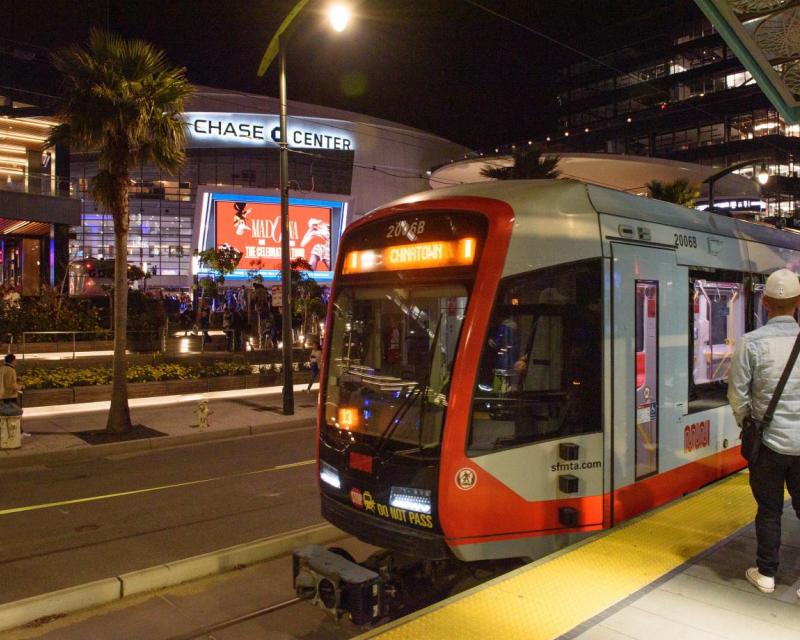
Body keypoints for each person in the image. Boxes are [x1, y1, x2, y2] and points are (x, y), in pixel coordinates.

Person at [727, 268, 800, 596]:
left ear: (765, 301)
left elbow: (737, 394)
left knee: (769, 510)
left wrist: (749, 423)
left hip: (767, 446)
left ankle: (767, 574)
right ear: (798, 303)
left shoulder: (750, 343)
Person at [0, 354, 27, 435]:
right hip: (9, 396)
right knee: (15, 414)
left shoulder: (2, 368)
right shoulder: (11, 370)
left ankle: (6, 432)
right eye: (15, 360)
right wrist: (20, 387)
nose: (16, 362)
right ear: (12, 361)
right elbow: (10, 385)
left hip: (2, 395)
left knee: (3, 416)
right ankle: (18, 433)